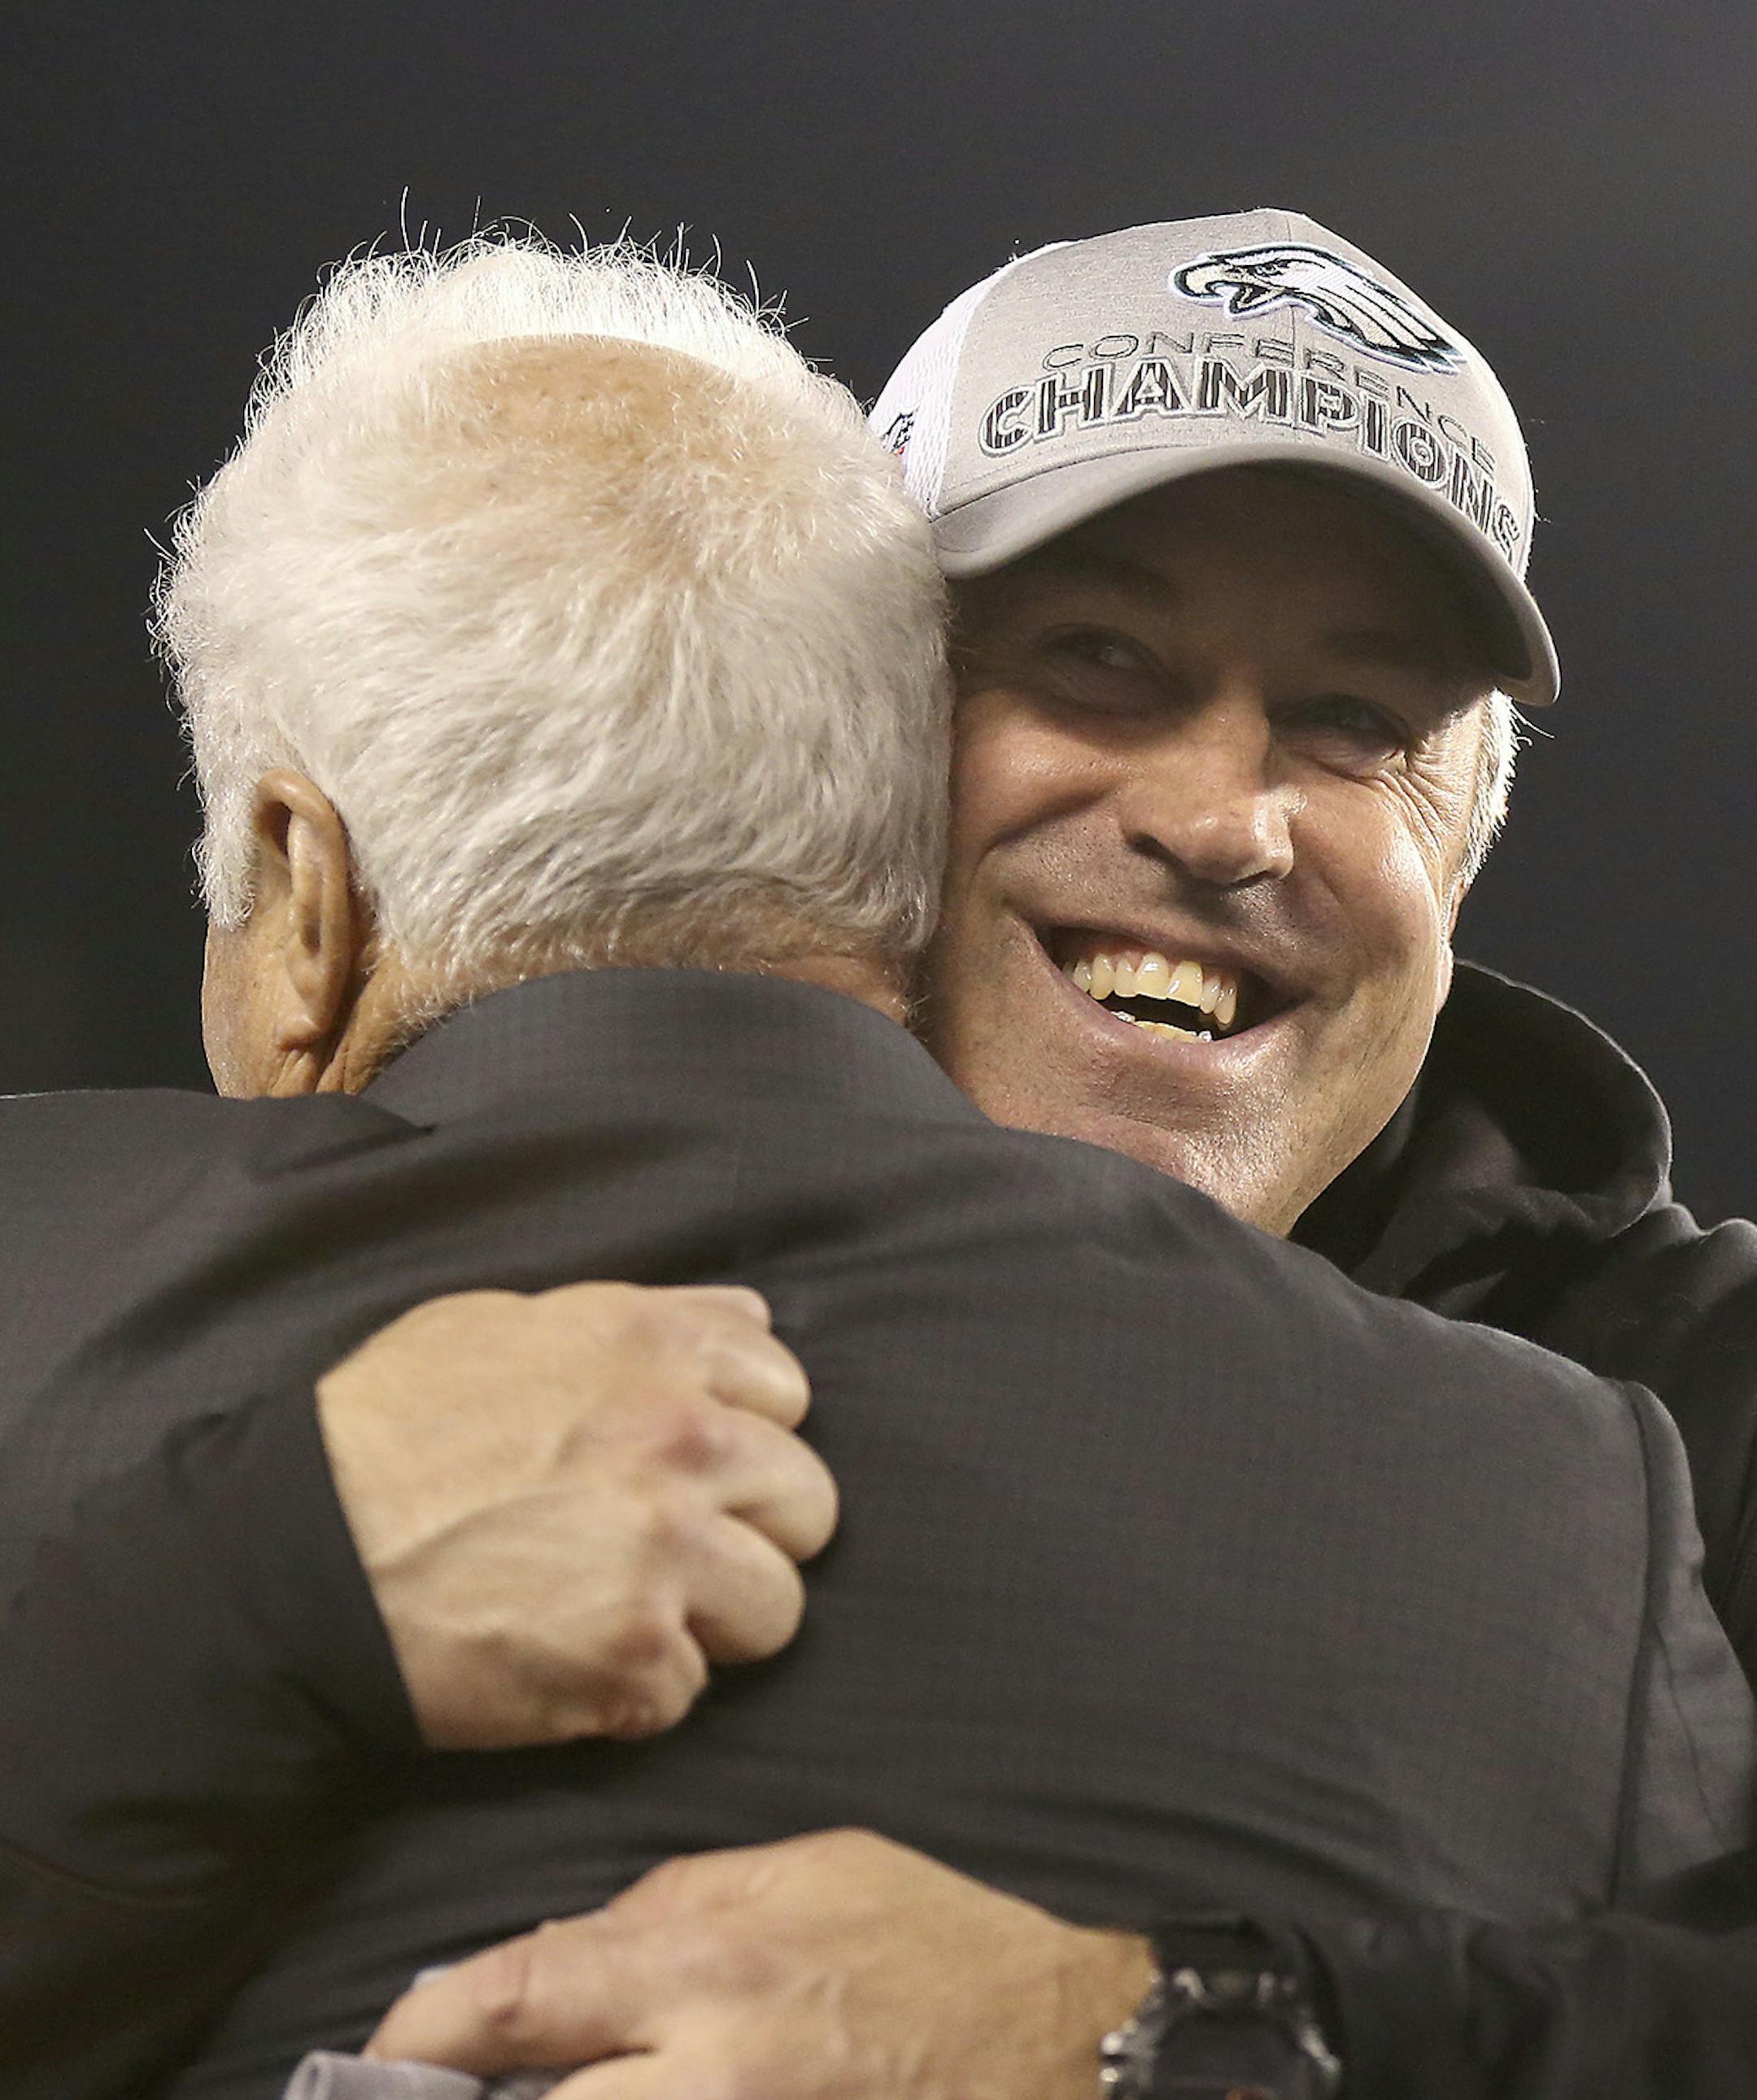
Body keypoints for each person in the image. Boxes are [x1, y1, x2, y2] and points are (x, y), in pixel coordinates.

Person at [1, 225, 1749, 2100]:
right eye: (1099, 659)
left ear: (1461, 855)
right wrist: (262, 1586)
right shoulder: (272, 1265)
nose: (1227, 820)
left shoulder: (1676, 1416)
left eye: (1356, 725)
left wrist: (1177, 2026)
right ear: (870, 726)